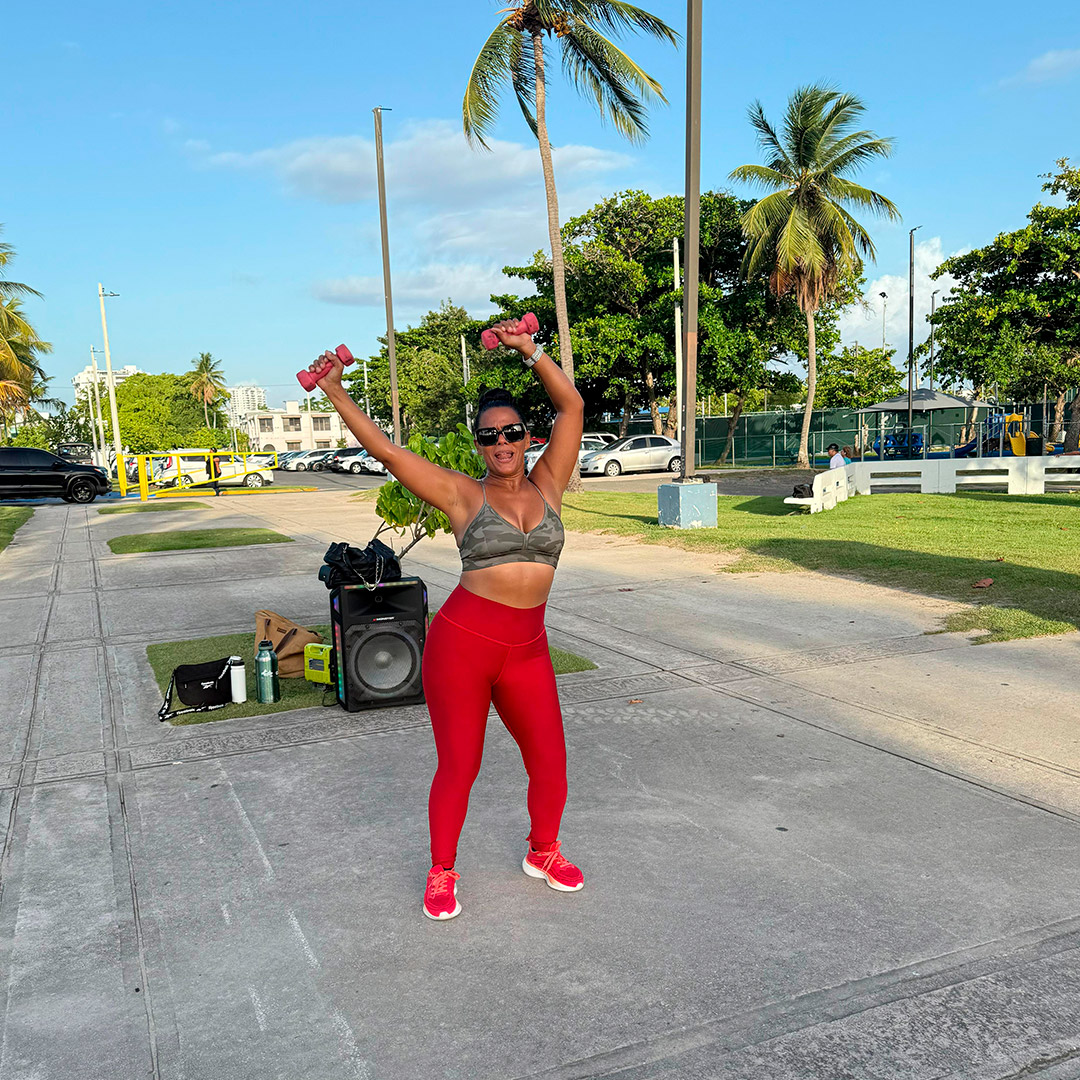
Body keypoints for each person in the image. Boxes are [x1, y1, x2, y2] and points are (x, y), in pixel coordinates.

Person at [305, 320, 586, 921]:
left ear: (527, 436)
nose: (502, 443)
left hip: (529, 647)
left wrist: (530, 352)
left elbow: (573, 403)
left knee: (551, 758)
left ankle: (544, 852)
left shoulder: (551, 483)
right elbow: (386, 451)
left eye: (511, 433)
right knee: (461, 764)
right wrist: (335, 390)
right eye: (490, 437)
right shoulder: (462, 494)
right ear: (479, 444)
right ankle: (442, 870)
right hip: (464, 645)